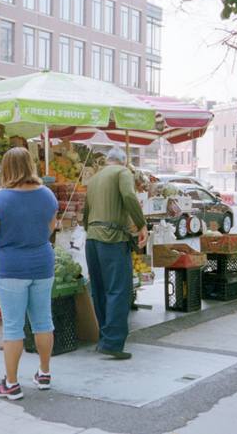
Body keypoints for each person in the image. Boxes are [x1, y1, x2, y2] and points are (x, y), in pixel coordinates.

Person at [0, 147, 58, 401]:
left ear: (6, 169)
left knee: (13, 327)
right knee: (43, 321)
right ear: (30, 165)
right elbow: (50, 228)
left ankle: (11, 384)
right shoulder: (47, 195)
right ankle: (44, 374)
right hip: (42, 264)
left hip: (12, 267)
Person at [83, 147, 148, 360]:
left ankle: (104, 339)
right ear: (123, 161)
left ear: (108, 160)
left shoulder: (93, 179)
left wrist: (91, 229)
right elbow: (129, 196)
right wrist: (141, 224)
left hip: (92, 240)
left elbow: (86, 213)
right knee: (119, 290)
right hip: (112, 239)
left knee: (99, 291)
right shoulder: (123, 173)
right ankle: (113, 343)